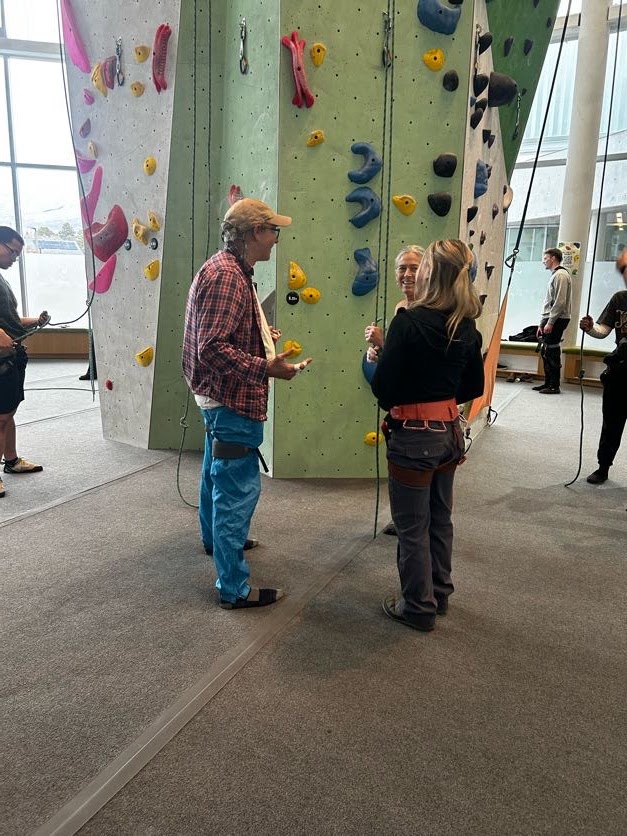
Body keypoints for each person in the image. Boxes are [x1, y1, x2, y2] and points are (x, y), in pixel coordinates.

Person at [182, 198, 312, 609]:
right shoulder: (227, 277)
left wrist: (259, 332)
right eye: (274, 231)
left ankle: (216, 541)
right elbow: (212, 349)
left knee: (215, 474)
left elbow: (222, 333)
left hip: (217, 398)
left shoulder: (230, 269)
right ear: (255, 232)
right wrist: (266, 367)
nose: (277, 239)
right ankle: (233, 589)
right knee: (236, 492)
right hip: (230, 399)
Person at [371, 239, 484, 632]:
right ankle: (439, 592)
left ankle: (418, 607)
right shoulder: (467, 326)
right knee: (440, 517)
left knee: (412, 525)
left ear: (429, 274)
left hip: (414, 438)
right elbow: (472, 386)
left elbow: (383, 388)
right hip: (450, 434)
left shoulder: (409, 322)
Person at [0, 226, 49, 499]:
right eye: (12, 252)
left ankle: (12, 460)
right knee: (1, 416)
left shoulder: (2, 280)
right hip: (1, 360)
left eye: (18, 254)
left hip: (13, 356)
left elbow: (11, 322)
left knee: (8, 412)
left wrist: (35, 321)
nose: (14, 258)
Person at [579, 248, 627, 485]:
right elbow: (603, 330)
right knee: (612, 422)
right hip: (620, 370)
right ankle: (603, 466)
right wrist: (589, 328)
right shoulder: (619, 298)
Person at [364, 245, 425, 358]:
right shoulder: (400, 307)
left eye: (414, 268)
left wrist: (382, 342)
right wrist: (380, 354)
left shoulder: (430, 311)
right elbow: (400, 354)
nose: (407, 274)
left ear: (427, 273)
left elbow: (418, 360)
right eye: (402, 268)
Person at [533, 247, 572, 394]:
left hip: (558, 319)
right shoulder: (555, 275)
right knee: (546, 351)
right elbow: (549, 302)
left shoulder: (561, 275)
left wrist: (550, 322)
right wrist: (542, 323)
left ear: (553, 258)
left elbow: (560, 302)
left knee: (552, 351)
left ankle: (554, 385)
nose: (543, 261)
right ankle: (548, 383)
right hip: (551, 318)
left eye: (545, 258)